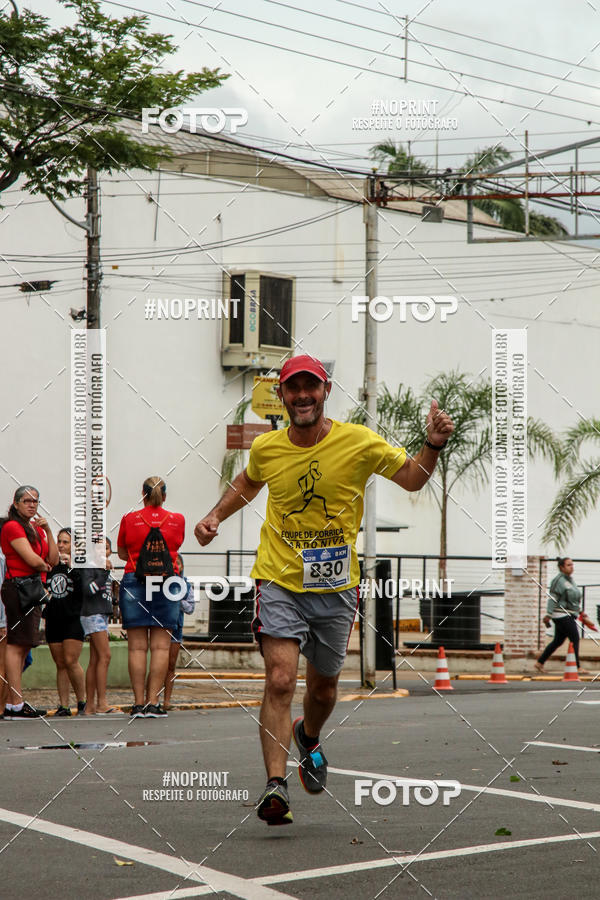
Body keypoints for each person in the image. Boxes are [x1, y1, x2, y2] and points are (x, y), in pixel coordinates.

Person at [194, 354, 454, 825]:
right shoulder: (269, 448)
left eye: (310, 387)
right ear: (283, 395)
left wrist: (432, 445)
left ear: (326, 390)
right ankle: (275, 786)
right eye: (293, 389)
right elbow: (248, 483)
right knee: (279, 679)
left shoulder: (358, 442)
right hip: (278, 579)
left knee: (326, 687)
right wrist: (215, 515)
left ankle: (308, 735)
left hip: (336, 588)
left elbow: (413, 478)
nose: (302, 396)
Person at [118, 476, 185, 718]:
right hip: (167, 582)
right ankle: (153, 703)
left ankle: (137, 704)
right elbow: (176, 547)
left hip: (135, 579)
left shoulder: (129, 519)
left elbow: (123, 553)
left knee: (136, 647)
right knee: (160, 646)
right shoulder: (178, 520)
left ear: (142, 494)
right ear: (164, 495)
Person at [0, 485, 58, 718]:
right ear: (16, 503)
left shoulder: (37, 528)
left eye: (35, 501)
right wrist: (45, 566)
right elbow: (33, 560)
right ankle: (15, 703)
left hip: (33, 589)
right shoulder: (12, 527)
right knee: (16, 644)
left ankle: (16, 700)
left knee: (24, 645)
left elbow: (52, 558)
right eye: (26, 501)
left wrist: (50, 531)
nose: (32, 504)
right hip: (19, 588)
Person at [45, 528, 86, 716]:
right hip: (53, 618)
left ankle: (82, 700)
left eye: (65, 542)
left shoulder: (79, 565)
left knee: (71, 660)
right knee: (60, 663)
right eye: (59, 542)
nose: (61, 545)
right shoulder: (52, 564)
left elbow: (84, 590)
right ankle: (63, 705)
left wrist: (74, 566)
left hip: (72, 618)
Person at [535, 557, 592, 675]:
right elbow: (553, 598)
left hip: (569, 614)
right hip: (561, 614)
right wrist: (548, 614)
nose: (571, 567)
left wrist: (580, 612)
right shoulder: (558, 581)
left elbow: (572, 600)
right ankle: (577, 667)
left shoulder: (570, 581)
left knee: (558, 641)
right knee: (575, 638)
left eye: (572, 565)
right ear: (561, 567)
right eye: (568, 565)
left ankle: (540, 663)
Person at [160, 553, 194, 710]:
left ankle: (167, 701)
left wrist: (178, 599)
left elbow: (190, 608)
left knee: (170, 666)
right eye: (173, 563)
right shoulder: (159, 582)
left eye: (178, 563)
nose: (176, 566)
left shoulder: (186, 585)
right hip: (160, 627)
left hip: (176, 628)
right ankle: (151, 699)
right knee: (157, 664)